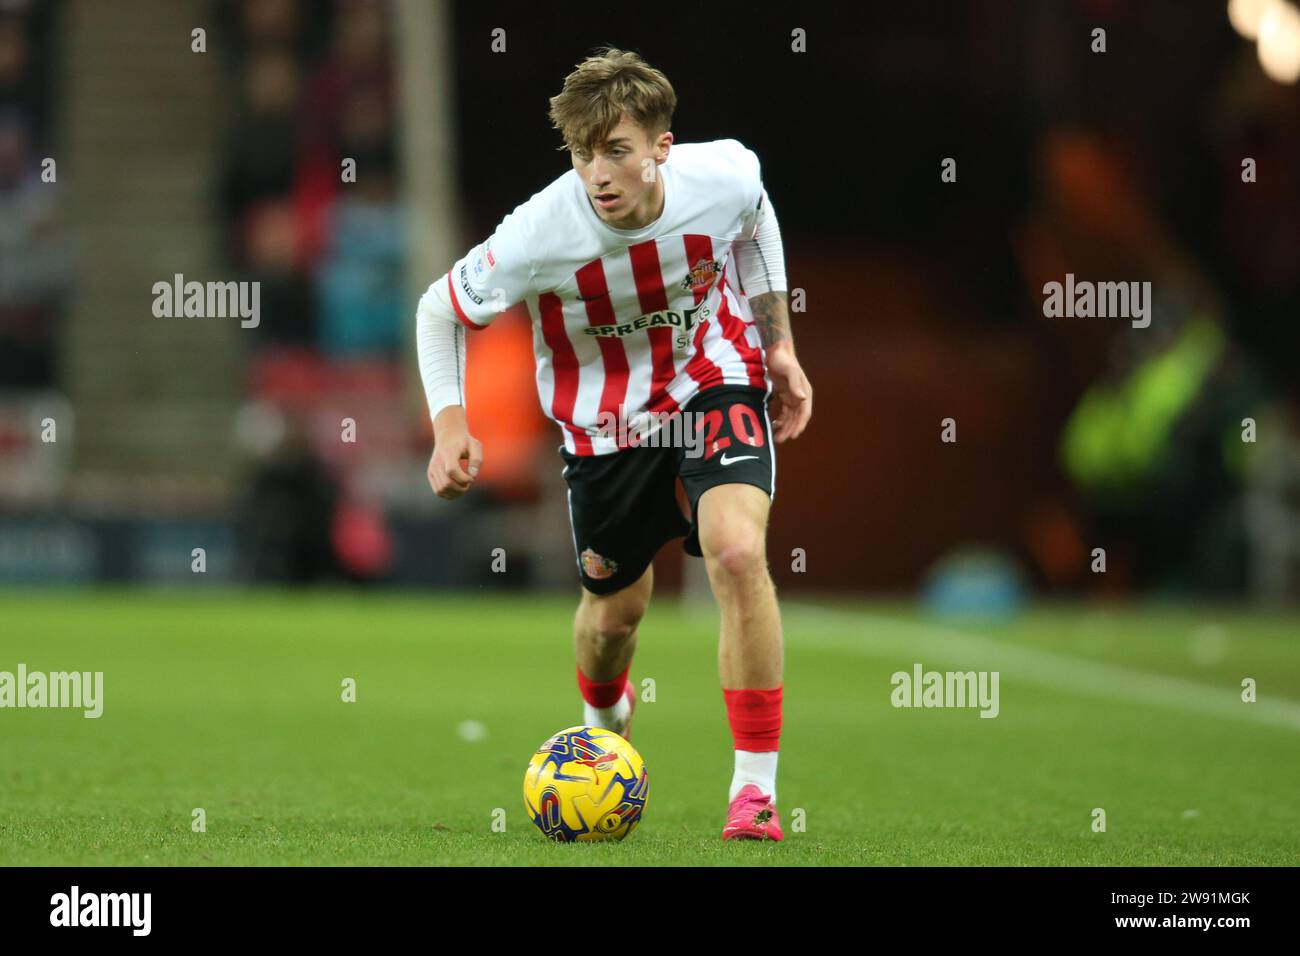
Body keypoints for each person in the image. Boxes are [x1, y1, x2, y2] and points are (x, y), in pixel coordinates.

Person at [415, 48, 811, 840]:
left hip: (713, 378)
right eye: (584, 153)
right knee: (612, 618)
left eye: (617, 151)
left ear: (661, 147)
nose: (599, 172)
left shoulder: (724, 174)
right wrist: (449, 424)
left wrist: (779, 347)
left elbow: (756, 218)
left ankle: (755, 792)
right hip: (604, 425)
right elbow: (439, 309)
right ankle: (605, 721)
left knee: (737, 553)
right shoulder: (539, 233)